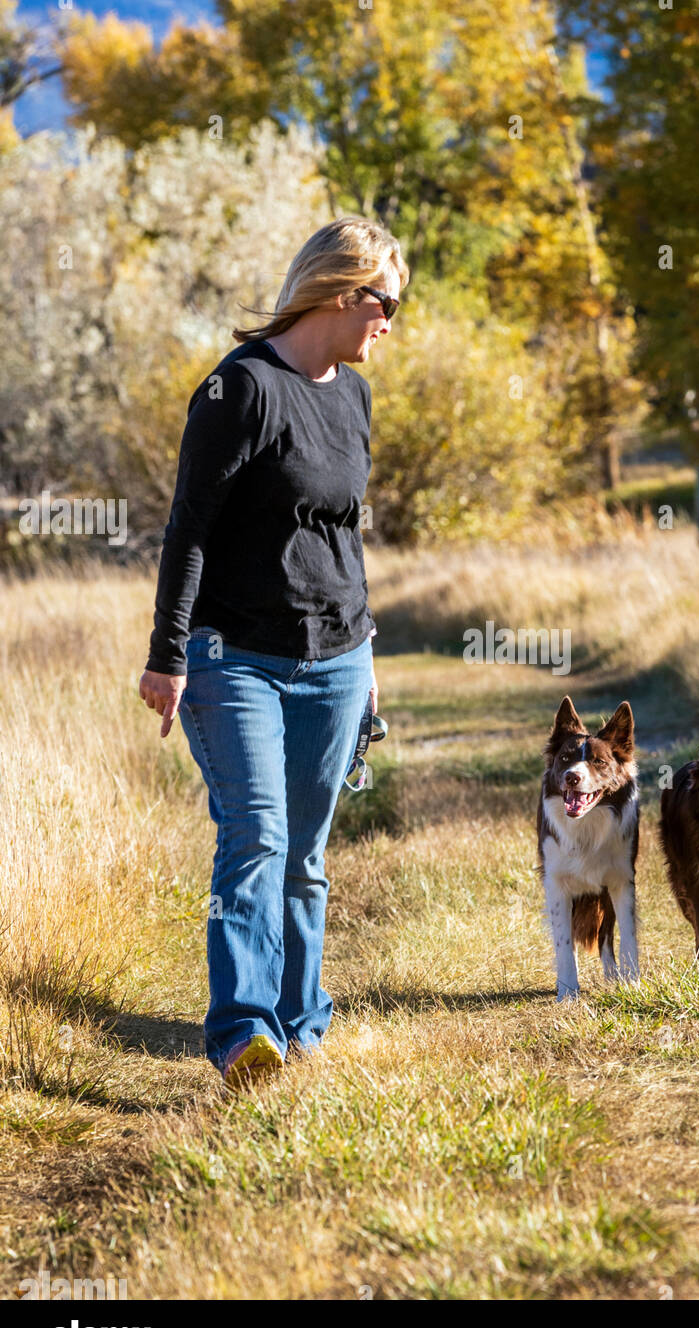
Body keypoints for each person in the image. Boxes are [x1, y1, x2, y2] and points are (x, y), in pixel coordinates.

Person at [138, 216, 408, 1088]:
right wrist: (167, 654)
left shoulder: (354, 397)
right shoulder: (240, 389)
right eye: (386, 304)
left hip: (336, 659)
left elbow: (344, 536)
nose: (389, 324)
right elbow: (189, 531)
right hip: (234, 657)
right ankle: (243, 1033)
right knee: (254, 835)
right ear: (342, 292)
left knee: (306, 854)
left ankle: (302, 1023)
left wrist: (368, 659)